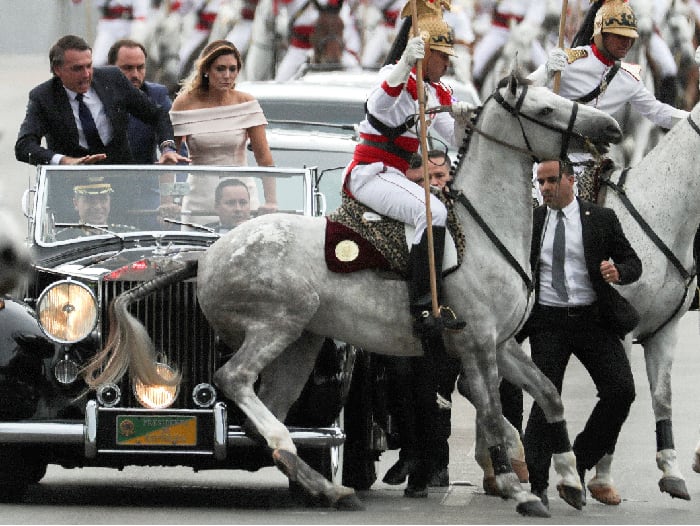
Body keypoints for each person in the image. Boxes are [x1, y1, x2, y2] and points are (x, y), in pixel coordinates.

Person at [519, 159, 641, 508]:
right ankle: (538, 484)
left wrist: (618, 271)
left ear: (571, 180)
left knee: (621, 392)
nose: (544, 188)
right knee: (546, 398)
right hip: (548, 322)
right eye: (539, 182)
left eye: (551, 181)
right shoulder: (534, 221)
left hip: (592, 318)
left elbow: (633, 262)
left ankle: (582, 460)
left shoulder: (600, 219)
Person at [528, 0, 688, 201]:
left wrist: (693, 118)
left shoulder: (629, 78)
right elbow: (527, 89)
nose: (626, 43)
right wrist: (547, 71)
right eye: (619, 36)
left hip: (594, 162)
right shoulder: (571, 60)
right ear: (601, 33)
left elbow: (658, 112)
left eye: (630, 37)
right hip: (555, 154)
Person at [15, 34, 189, 166]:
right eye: (77, 69)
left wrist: (167, 148)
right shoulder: (43, 97)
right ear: (57, 69)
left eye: (89, 66)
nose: (86, 74)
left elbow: (157, 114)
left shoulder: (112, 78)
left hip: (121, 181)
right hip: (73, 188)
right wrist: (64, 161)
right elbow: (24, 146)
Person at [169, 39, 277, 222]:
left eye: (232, 69)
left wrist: (271, 201)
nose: (227, 75)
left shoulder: (246, 103)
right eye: (220, 69)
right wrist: (169, 200)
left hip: (241, 199)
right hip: (199, 200)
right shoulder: (184, 103)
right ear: (206, 70)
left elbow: (264, 158)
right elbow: (170, 159)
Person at [107, 38, 173, 164]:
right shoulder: (94, 94)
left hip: (144, 178)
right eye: (127, 68)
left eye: (140, 67)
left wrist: (168, 151)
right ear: (110, 69)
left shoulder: (156, 95)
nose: (135, 75)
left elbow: (173, 136)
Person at [471, 0, 548, 88]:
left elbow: (535, 16)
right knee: (476, 66)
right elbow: (483, 5)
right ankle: (477, 94)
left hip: (523, 35)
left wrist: (523, 31)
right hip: (499, 31)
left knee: (544, 66)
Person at [55, 182, 134, 240]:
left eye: (103, 199)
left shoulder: (128, 235)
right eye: (90, 200)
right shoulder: (60, 239)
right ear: (76, 204)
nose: (97, 206)